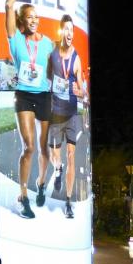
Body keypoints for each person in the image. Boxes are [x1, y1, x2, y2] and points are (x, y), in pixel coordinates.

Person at [5, 0, 55, 219]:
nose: (34, 20)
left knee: (44, 148)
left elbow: (55, 69)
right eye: (29, 17)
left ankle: (41, 182)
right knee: (29, 148)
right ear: (22, 20)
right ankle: (23, 196)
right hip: (24, 95)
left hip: (44, 96)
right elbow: (8, 4)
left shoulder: (48, 43)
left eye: (36, 16)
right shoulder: (15, 40)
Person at [48, 14, 88, 219]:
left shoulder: (76, 59)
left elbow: (83, 91)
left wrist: (77, 90)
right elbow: (46, 78)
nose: (70, 33)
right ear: (61, 31)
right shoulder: (53, 54)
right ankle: (57, 168)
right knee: (55, 156)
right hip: (55, 114)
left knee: (71, 156)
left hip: (71, 114)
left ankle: (69, 200)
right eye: (67, 29)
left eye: (72, 29)